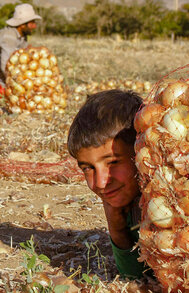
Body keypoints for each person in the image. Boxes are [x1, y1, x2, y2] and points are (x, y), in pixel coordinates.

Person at [67, 89, 148, 279]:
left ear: (142, 152)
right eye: (88, 168)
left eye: (112, 162)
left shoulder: (172, 199)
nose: (102, 182)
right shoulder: (126, 208)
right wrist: (117, 230)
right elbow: (135, 277)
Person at [0, 3, 41, 86]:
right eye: (32, 23)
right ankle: (1, 83)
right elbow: (5, 64)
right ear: (22, 25)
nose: (34, 26)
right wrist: (17, 84)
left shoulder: (23, 36)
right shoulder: (9, 36)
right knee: (9, 58)